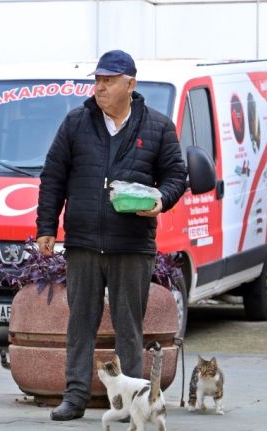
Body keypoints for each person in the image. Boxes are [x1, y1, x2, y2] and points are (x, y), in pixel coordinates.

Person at [35, 49, 188, 421]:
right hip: (84, 241)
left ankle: (135, 399)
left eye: (108, 81)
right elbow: (52, 177)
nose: (99, 88)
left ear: (130, 84)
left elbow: (176, 177)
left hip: (132, 244)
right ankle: (75, 396)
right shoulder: (75, 123)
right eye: (97, 80)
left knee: (129, 327)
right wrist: (46, 228)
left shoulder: (157, 126)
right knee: (80, 322)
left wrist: (160, 201)